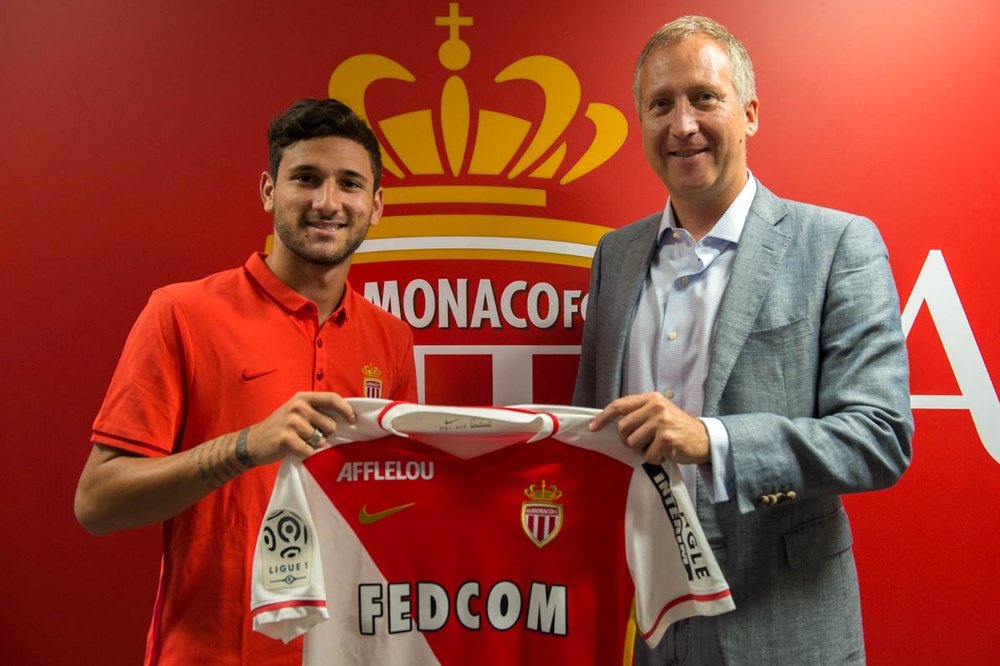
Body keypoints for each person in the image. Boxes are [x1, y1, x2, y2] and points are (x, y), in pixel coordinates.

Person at [573, 16, 913, 664]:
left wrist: (714, 441)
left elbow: (880, 435)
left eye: (704, 97)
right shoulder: (615, 257)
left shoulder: (837, 245)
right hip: (646, 626)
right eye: (661, 104)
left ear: (750, 112)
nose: (682, 125)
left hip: (783, 622)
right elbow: (591, 428)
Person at [74, 98, 417, 665]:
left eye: (349, 184)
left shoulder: (391, 338)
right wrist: (245, 446)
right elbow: (97, 503)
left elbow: (398, 508)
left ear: (375, 205)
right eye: (305, 178)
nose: (327, 202)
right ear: (268, 191)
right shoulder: (180, 313)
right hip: (213, 653)